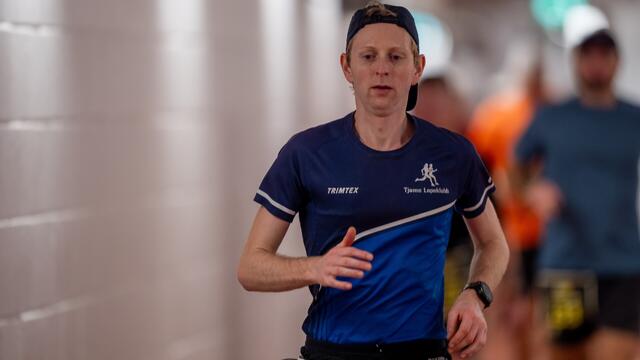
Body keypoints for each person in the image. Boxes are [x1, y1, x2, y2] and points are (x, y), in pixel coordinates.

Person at [238, 2, 509, 359]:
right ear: (347, 67)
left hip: (422, 350)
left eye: (396, 57)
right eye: (368, 56)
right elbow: (250, 268)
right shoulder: (306, 153)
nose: (382, 69)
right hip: (333, 351)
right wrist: (315, 267)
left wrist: (476, 294)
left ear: (418, 68)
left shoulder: (453, 154)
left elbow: (493, 244)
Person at [514, 7, 640, 360]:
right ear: (576, 62)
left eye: (605, 55)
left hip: (624, 261)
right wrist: (532, 190)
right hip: (565, 262)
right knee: (562, 354)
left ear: (617, 62)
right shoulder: (553, 117)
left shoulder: (633, 119)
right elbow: (515, 169)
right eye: (589, 55)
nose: (597, 64)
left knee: (616, 352)